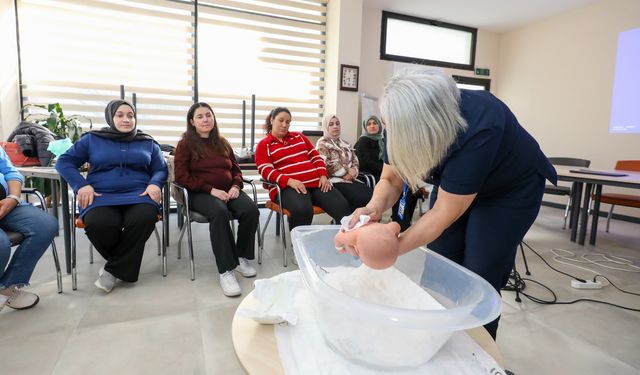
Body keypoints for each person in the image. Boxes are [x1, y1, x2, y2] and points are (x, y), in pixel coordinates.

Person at [343, 69, 557, 339]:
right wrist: (374, 208)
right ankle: (437, 340)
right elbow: (391, 178)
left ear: (425, 129)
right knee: (441, 262)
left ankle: (477, 358)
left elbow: (445, 212)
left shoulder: (480, 124)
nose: (387, 133)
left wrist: (388, 247)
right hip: (455, 187)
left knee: (481, 271)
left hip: (507, 191)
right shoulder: (397, 120)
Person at [56, 99, 167, 293]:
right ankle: (121, 266)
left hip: (138, 193)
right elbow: (64, 162)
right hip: (100, 194)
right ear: (110, 117)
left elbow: (160, 169)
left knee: (144, 216)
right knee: (100, 223)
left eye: (131, 116)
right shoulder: (92, 139)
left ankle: (112, 270)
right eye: (120, 115)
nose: (126, 120)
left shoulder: (147, 142)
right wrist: (81, 185)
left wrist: (154, 183)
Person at [174, 102, 260, 297]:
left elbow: (236, 170)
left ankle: (241, 256)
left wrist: (236, 186)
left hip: (228, 191)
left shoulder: (222, 142)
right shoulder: (185, 144)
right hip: (200, 193)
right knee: (219, 212)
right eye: (200, 116)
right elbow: (181, 177)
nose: (205, 119)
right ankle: (226, 270)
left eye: (209, 115)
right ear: (192, 121)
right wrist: (210, 190)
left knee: (251, 211)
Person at [255, 107, 350, 230]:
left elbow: (316, 157)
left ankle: (343, 241)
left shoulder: (299, 137)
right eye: (281, 120)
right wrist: (289, 181)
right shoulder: (264, 145)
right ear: (272, 120)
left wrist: (322, 175)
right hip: (288, 188)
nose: (284, 125)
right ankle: (299, 246)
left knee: (341, 205)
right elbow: (266, 171)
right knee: (302, 210)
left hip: (316, 183)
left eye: (288, 122)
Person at [1, 148, 58, 311]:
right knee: (1, 243)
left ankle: (6, 287)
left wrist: (12, 198)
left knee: (45, 225)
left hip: (6, 203)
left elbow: (11, 172)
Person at [355, 116, 419, 231]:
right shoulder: (362, 141)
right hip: (373, 175)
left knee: (411, 190)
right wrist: (387, 170)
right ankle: (400, 224)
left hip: (387, 173)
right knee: (400, 191)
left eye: (375, 123)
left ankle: (403, 220)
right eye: (369, 124)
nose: (372, 125)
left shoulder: (384, 139)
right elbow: (365, 163)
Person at [315, 114, 373, 212]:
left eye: (337, 124)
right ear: (325, 127)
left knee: (371, 194)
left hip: (351, 179)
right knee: (359, 197)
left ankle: (365, 224)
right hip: (335, 181)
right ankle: (351, 223)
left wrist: (353, 173)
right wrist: (346, 171)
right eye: (331, 124)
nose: (335, 126)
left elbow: (355, 160)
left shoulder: (345, 143)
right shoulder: (322, 144)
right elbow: (326, 165)